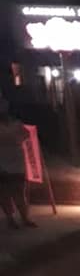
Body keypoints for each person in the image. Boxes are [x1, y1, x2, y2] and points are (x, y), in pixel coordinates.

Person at [0, 97, 37, 230]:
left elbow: (26, 135)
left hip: (16, 163)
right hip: (2, 163)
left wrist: (16, 140)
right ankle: (10, 219)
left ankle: (24, 218)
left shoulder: (16, 123)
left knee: (19, 191)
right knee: (4, 193)